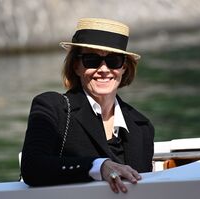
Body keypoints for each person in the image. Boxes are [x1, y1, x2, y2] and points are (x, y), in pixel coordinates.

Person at [21, 18, 154, 193]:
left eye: (114, 60)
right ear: (76, 66)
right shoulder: (53, 108)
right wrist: (98, 167)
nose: (104, 69)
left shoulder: (142, 127)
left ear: (124, 68)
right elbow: (32, 168)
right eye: (92, 60)